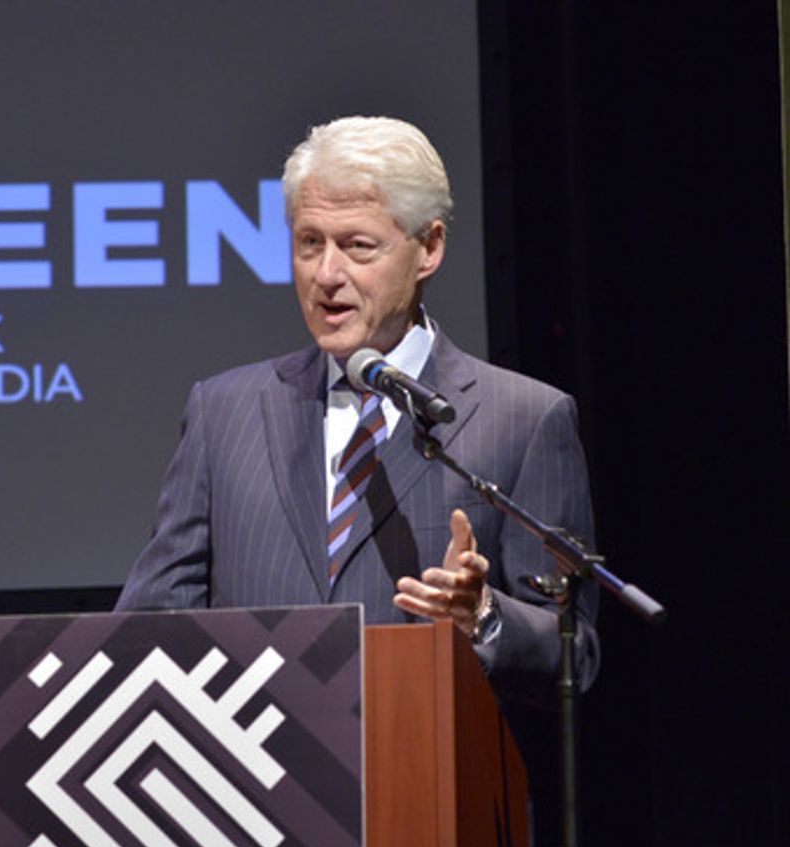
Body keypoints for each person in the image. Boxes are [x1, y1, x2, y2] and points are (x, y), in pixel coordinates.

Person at [117, 116, 598, 705]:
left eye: (357, 246)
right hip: (252, 783)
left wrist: (486, 616)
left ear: (430, 248)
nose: (326, 275)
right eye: (309, 243)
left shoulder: (525, 420)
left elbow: (575, 653)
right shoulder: (224, 413)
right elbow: (149, 622)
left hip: (428, 781)